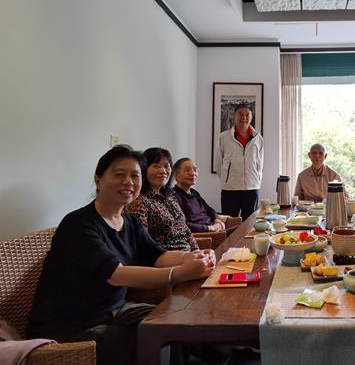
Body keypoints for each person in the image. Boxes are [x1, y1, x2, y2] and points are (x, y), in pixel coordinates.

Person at [27, 145, 215, 365]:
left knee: (176, 318)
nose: (128, 182)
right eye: (119, 174)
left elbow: (158, 255)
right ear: (98, 180)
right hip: (70, 325)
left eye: (135, 176)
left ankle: (229, 354)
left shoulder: (129, 222)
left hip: (114, 311)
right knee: (141, 338)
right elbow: (116, 275)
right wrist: (180, 273)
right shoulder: (78, 224)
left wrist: (192, 257)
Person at [125, 147, 199, 251]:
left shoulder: (171, 197)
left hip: (188, 255)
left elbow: (186, 230)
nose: (163, 171)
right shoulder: (138, 202)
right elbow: (142, 244)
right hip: (165, 258)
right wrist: (184, 257)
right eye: (156, 166)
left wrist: (197, 251)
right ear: (144, 169)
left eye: (166, 166)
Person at [217, 103, 264, 219]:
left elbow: (260, 164)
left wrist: (256, 180)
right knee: (229, 223)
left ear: (251, 117)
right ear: (234, 116)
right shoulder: (223, 137)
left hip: (252, 188)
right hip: (230, 189)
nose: (244, 117)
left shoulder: (258, 138)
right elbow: (218, 163)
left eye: (247, 115)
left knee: (249, 223)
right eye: (240, 114)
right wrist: (227, 180)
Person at [173, 157, 225, 233]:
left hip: (213, 229)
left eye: (195, 170)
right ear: (176, 175)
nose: (193, 173)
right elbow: (183, 225)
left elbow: (209, 209)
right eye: (187, 170)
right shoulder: (174, 196)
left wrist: (216, 219)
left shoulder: (194, 192)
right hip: (204, 234)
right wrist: (209, 228)